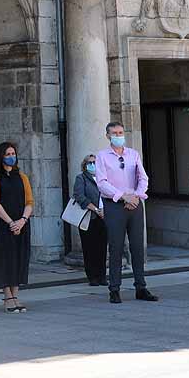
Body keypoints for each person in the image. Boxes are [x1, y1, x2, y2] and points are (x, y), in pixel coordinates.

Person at [96, 121, 158, 304]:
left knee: (137, 246)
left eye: (120, 132)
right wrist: (122, 196)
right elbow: (102, 182)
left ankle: (141, 286)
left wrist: (137, 196)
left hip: (135, 203)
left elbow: (143, 177)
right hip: (115, 204)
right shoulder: (102, 156)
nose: (118, 135)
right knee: (116, 247)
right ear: (108, 136)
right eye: (114, 133)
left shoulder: (133, 154)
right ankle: (114, 288)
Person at [0, 142, 33, 312]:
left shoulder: (22, 177)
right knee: (6, 260)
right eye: (7, 154)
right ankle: (8, 296)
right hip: (3, 224)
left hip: (21, 223)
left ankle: (16, 295)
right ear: (1, 156)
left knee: (20, 258)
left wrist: (22, 220)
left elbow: (29, 202)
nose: (11, 156)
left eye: (13, 153)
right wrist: (11, 223)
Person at [72, 154, 107, 287]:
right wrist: (95, 209)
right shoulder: (81, 178)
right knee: (89, 248)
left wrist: (104, 210)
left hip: (103, 217)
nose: (92, 164)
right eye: (89, 162)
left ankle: (102, 276)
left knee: (102, 247)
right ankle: (92, 277)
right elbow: (79, 196)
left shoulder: (103, 178)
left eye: (94, 162)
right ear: (85, 165)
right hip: (88, 217)